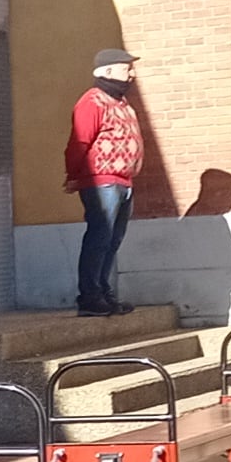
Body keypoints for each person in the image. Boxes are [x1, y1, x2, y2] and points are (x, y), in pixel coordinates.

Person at [65, 49, 143, 317]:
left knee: (112, 240)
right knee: (100, 237)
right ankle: (90, 296)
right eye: (126, 69)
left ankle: (103, 292)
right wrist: (74, 175)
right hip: (101, 182)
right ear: (107, 71)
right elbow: (79, 142)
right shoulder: (92, 102)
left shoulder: (120, 103)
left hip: (124, 182)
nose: (131, 75)